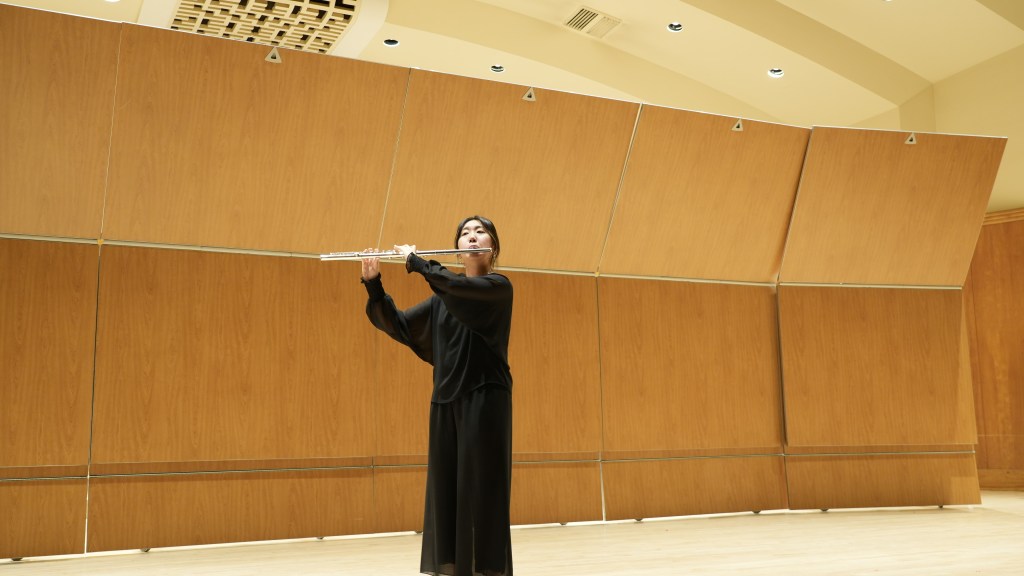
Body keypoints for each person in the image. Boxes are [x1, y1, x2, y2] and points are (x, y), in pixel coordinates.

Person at [360, 216, 514, 576]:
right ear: (457, 249)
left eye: (480, 232)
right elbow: (399, 324)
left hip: (485, 400)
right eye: (465, 233)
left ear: (492, 246)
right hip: (445, 401)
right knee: (447, 491)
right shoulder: (442, 299)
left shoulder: (498, 287)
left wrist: (418, 263)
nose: (472, 237)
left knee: (482, 491)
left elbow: (457, 289)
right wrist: (373, 285)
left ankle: (487, 570)